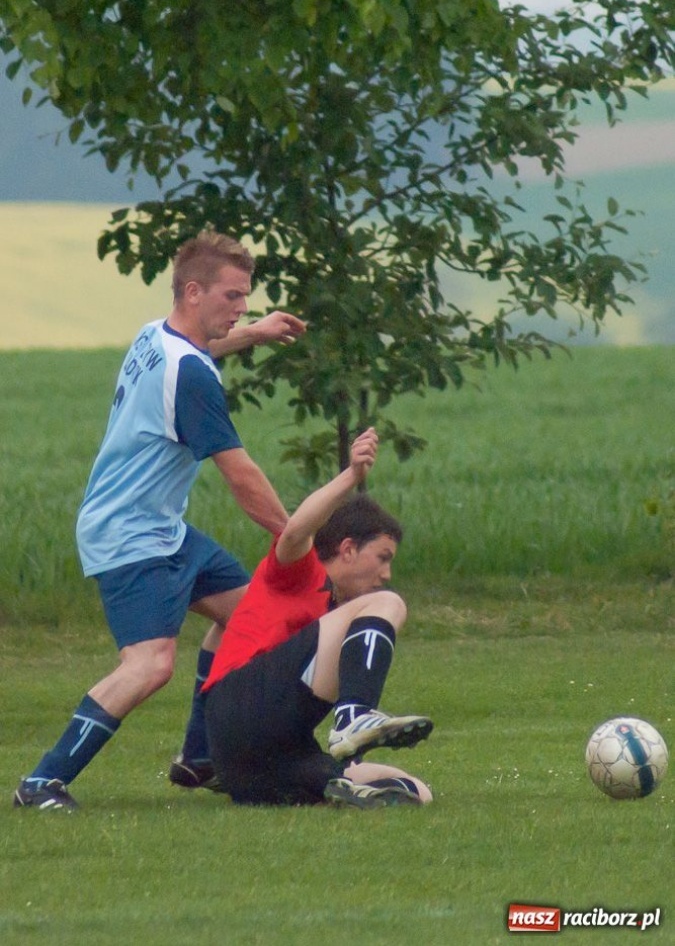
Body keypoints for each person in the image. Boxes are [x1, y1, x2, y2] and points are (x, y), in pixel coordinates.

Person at [13, 231, 305, 811]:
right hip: (128, 535)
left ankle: (199, 758)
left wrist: (256, 332)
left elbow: (201, 351)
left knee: (248, 617)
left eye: (246, 297)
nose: (241, 306)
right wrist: (295, 534)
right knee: (149, 665)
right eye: (233, 296)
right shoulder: (191, 377)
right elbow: (240, 475)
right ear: (193, 292)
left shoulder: (158, 335)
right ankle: (42, 782)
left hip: (162, 529)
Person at [202, 427, 433, 809]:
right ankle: (354, 717)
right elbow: (295, 531)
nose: (386, 573)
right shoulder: (302, 571)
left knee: (418, 791)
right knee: (390, 604)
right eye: (382, 557)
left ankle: (346, 781)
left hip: (257, 761)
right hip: (242, 707)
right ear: (346, 549)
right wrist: (351, 476)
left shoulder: (341, 618)